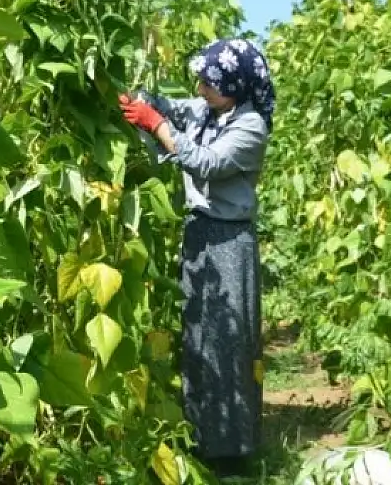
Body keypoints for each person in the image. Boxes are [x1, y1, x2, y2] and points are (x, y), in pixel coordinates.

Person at [118, 37, 276, 478]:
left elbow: (204, 162)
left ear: (235, 86)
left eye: (210, 82)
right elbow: (172, 106)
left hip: (229, 240)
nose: (201, 87)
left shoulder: (249, 127)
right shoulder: (212, 109)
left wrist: (155, 125)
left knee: (229, 342)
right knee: (200, 338)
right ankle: (205, 438)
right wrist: (139, 101)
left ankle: (234, 450)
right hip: (200, 234)